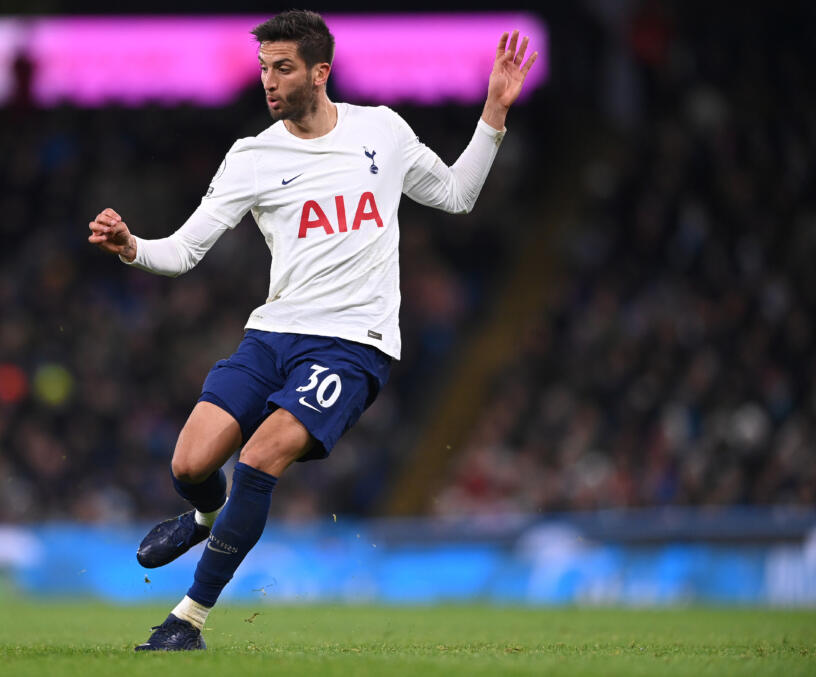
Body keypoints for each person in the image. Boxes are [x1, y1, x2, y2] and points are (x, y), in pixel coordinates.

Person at [87, 9, 537, 651]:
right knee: (190, 462)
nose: (269, 81)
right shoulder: (251, 157)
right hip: (271, 336)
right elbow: (184, 252)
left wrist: (492, 113)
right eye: (264, 68)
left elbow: (457, 196)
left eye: (283, 68)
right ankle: (203, 514)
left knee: (261, 456)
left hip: (353, 346)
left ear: (320, 72)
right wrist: (133, 246)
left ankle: (186, 620)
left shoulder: (380, 130)